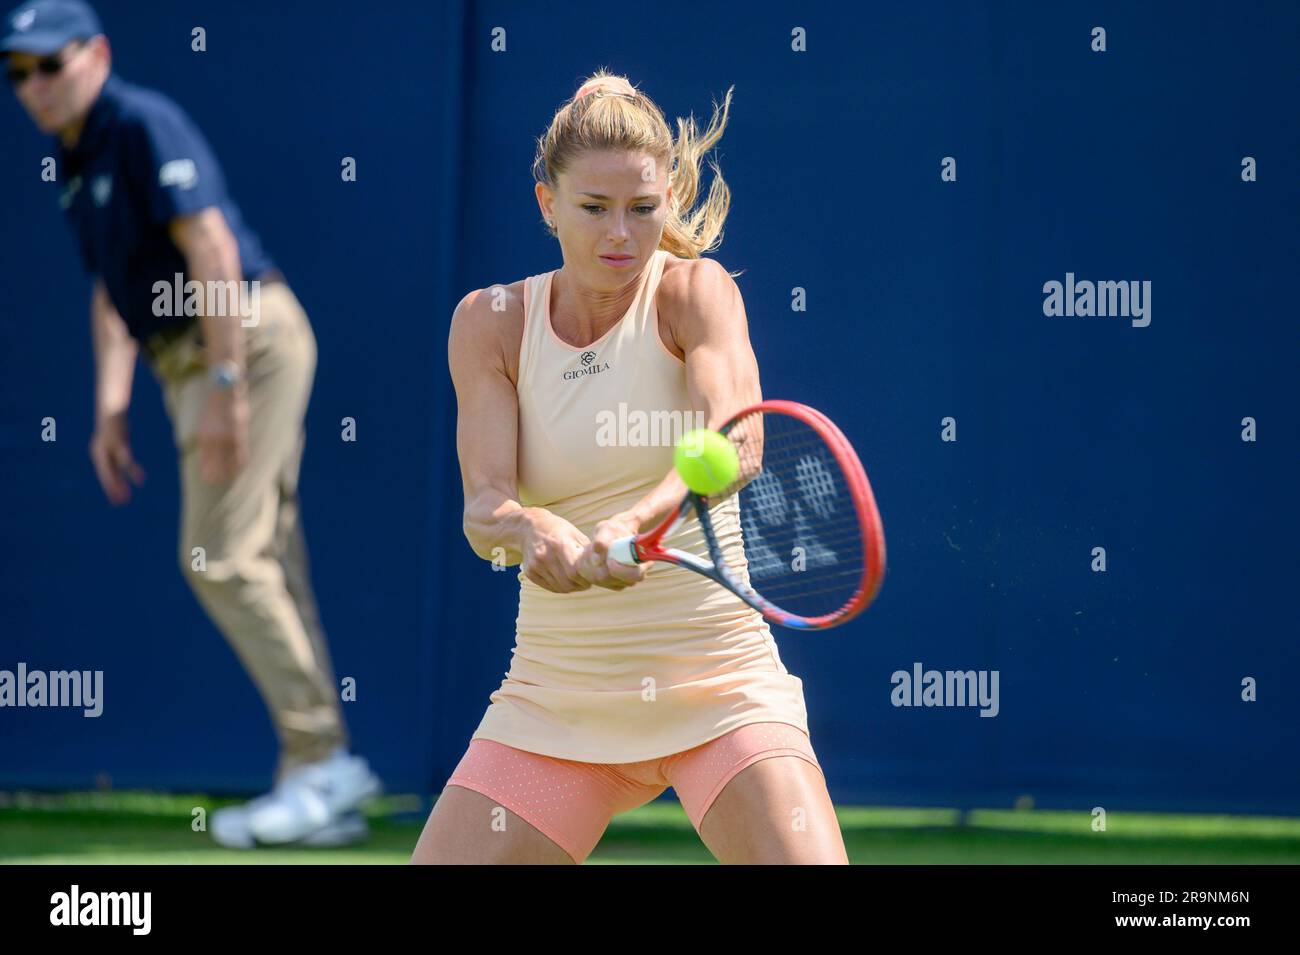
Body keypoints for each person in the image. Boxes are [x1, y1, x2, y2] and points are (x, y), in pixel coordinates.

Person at [412, 71, 848, 864]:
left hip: (719, 687)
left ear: (670, 198)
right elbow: (485, 508)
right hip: (554, 703)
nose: (622, 234)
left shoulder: (695, 293)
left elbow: (734, 443)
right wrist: (529, 528)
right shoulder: (490, 324)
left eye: (644, 209)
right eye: (594, 208)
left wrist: (639, 520)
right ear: (547, 202)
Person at [2, 0, 378, 847]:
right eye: (17, 73)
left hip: (242, 340)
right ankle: (321, 777)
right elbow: (111, 288)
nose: (34, 85)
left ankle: (320, 757)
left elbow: (208, 245)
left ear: (96, 55)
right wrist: (108, 404)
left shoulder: (140, 120)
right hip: (193, 359)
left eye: (49, 64)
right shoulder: (73, 158)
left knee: (221, 556)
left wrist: (224, 385)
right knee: (266, 552)